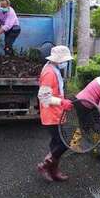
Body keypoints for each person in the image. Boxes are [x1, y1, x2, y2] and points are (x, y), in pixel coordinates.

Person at [36, 45, 74, 182]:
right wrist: (62, 102)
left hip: (57, 113)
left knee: (55, 143)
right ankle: (45, 165)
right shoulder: (49, 73)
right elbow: (43, 96)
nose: (66, 62)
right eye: (65, 60)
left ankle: (54, 171)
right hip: (51, 115)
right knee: (64, 143)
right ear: (58, 60)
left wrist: (62, 102)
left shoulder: (54, 69)